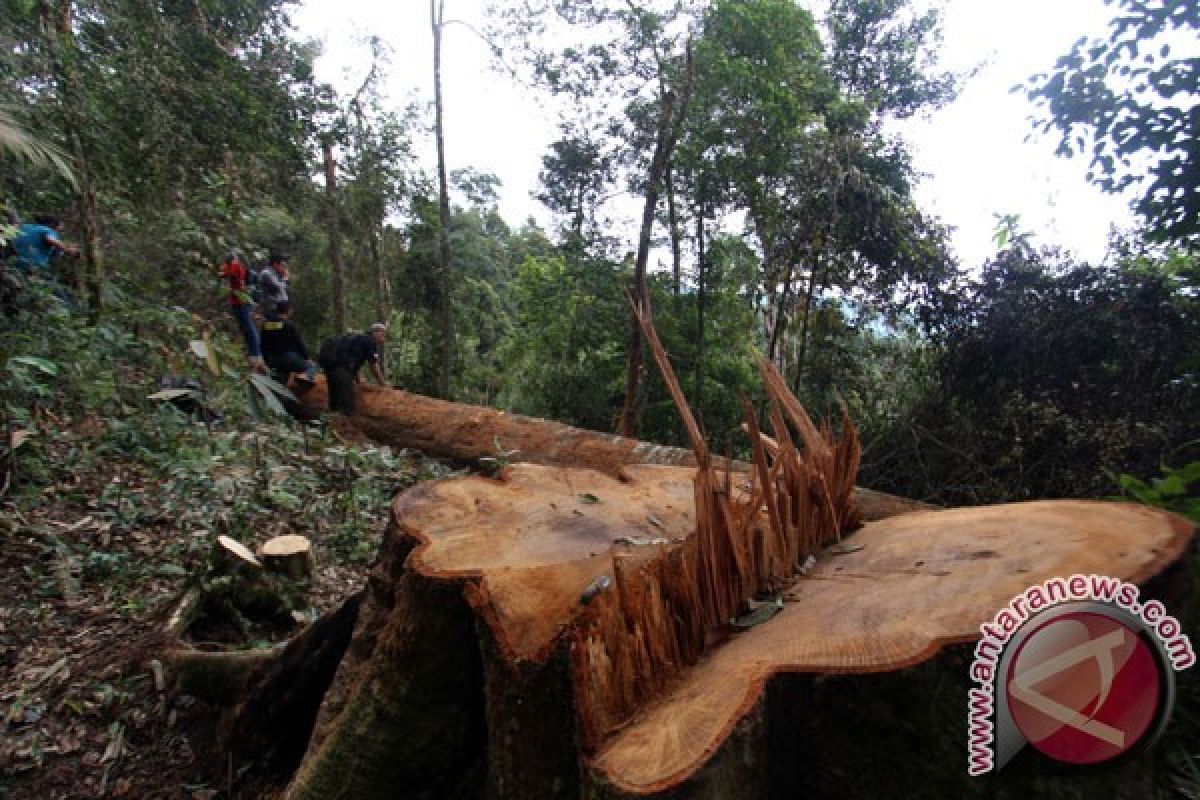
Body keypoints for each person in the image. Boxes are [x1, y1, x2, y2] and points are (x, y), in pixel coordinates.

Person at [317, 323, 388, 413]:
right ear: (375, 332)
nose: (383, 338)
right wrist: (383, 384)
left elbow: (353, 361)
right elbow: (373, 365)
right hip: (340, 366)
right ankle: (343, 421)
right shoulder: (370, 341)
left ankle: (330, 422)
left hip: (329, 365)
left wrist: (358, 380)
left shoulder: (359, 338)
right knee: (347, 401)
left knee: (335, 398)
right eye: (382, 334)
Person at [218, 251, 264, 370]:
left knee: (249, 329)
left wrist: (227, 266)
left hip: (240, 302)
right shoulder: (236, 266)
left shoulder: (235, 265)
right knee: (248, 329)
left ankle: (256, 356)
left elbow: (226, 273)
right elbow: (222, 274)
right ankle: (255, 354)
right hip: (241, 301)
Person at [259, 301, 318, 384]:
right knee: (312, 367)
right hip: (288, 358)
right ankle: (305, 377)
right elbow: (299, 343)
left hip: (272, 360)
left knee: (281, 380)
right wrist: (307, 358)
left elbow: (262, 344)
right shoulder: (288, 325)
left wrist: (266, 360)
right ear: (288, 310)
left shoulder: (266, 325)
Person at [10, 214, 79, 274]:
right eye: (60, 228)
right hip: (26, 263)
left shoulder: (28, 227)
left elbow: (15, 227)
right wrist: (66, 249)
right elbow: (50, 239)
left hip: (14, 252)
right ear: (54, 226)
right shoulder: (49, 231)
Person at [258, 252, 289, 317]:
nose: (283, 267)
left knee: (284, 325)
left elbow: (284, 288)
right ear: (275, 264)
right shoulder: (266, 273)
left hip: (279, 306)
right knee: (275, 326)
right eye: (281, 265)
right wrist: (285, 278)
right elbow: (277, 287)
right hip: (271, 307)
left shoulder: (276, 273)